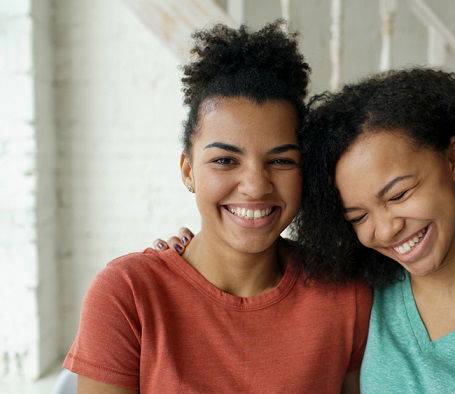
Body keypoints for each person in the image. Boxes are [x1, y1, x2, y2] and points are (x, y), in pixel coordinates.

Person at [164, 68, 455, 392]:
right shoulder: (375, 291)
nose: (386, 229)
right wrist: (185, 255)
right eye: (358, 217)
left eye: (400, 194)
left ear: (454, 159)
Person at [64, 22, 371, 393]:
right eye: (226, 160)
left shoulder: (345, 296)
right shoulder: (127, 294)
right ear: (188, 170)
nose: (256, 185)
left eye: (281, 161)